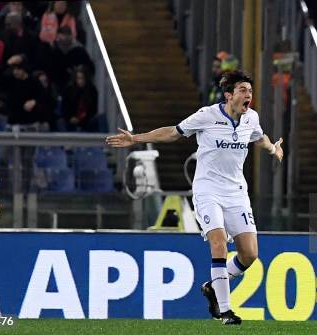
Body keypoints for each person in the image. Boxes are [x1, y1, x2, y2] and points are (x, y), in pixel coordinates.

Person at [106, 70, 283, 325]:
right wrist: (135, 138)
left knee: (249, 254)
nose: (248, 95)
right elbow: (173, 132)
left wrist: (273, 149)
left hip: (236, 193)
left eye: (250, 91)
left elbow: (260, 137)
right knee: (219, 242)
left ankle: (213, 287)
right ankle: (225, 311)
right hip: (208, 190)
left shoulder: (251, 118)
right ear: (229, 95)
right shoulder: (207, 115)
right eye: (243, 90)